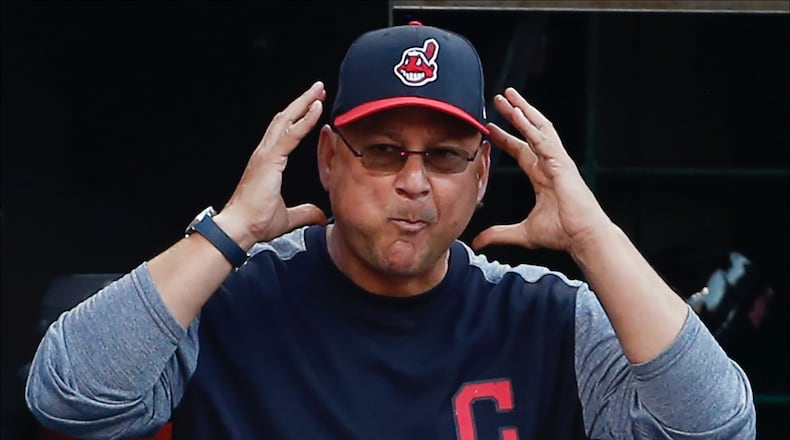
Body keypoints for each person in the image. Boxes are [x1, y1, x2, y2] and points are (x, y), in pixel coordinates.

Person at [25, 22, 755, 440]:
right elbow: (66, 398)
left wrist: (593, 235)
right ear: (329, 161)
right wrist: (233, 229)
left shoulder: (546, 315)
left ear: (478, 180)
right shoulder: (227, 294)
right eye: (382, 152)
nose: (413, 182)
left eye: (444, 157)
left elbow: (716, 428)